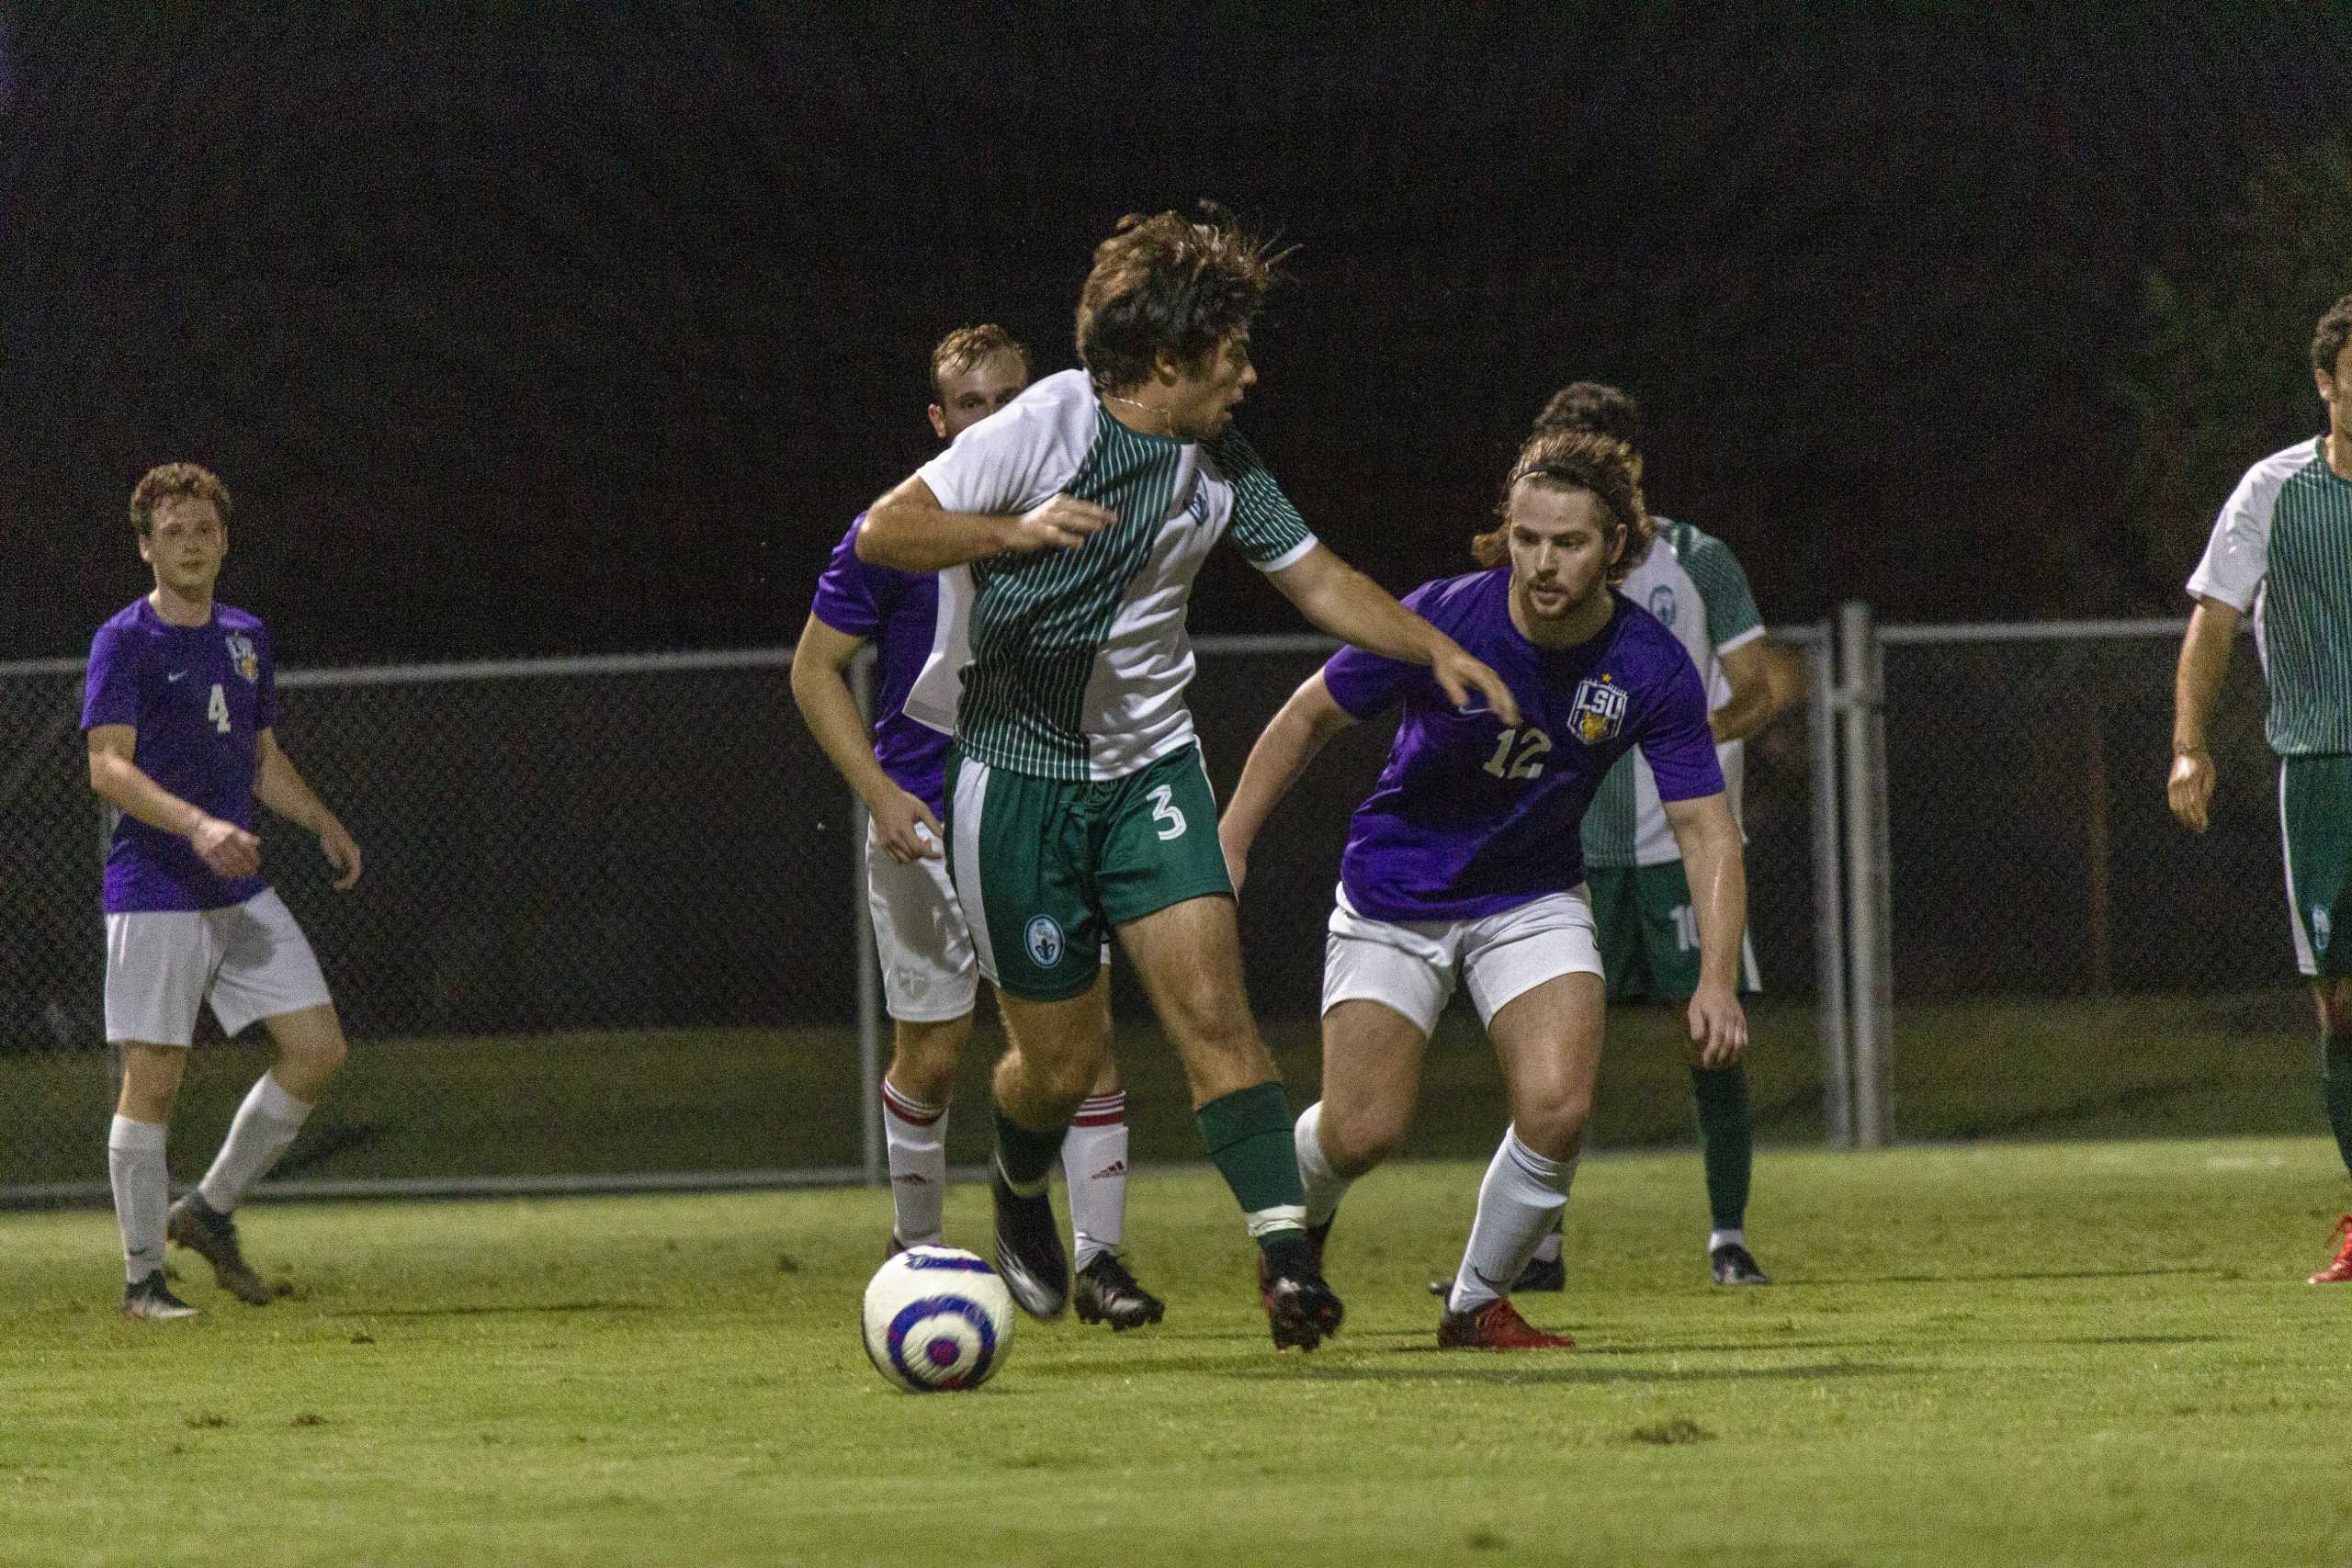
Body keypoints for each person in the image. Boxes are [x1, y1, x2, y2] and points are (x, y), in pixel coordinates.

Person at [856, 204, 1521, 1350]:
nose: (1250, 375)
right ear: (1166, 361)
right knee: (1053, 1068)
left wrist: (1436, 645)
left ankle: (1283, 1262)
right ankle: (1019, 1186)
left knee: (1215, 1015)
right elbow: (884, 531)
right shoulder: (1044, 425)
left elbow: (1319, 581)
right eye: (1230, 355)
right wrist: (1010, 534)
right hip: (1013, 780)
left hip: (1150, 771)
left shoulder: (1223, 465)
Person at [1219, 426, 1750, 1348]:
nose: (1543, 562)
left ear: (1615, 547)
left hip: (1531, 897)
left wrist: (1712, 977)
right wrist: (1229, 840)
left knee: (1557, 1106)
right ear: (1506, 531)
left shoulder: (1649, 664)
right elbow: (1308, 718)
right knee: (1361, 1133)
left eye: (1570, 542)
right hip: (1396, 893)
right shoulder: (1442, 619)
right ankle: (1289, 1230)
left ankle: (1474, 1304)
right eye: (1528, 537)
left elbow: (1706, 825)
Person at [792, 324, 1163, 1330]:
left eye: (1010, 401)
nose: (991, 422)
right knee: (934, 1055)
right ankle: (914, 1252)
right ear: (939, 422)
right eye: (970, 406)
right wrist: (878, 793)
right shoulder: (898, 533)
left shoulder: (1080, 515)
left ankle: (1101, 1264)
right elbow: (811, 670)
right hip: (920, 819)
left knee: (1079, 1044)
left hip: (1038, 808)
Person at [1503, 382, 1800, 1293]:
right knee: (1552, 1052)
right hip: (1570, 851)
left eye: (1593, 457)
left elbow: (1758, 685)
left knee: (1713, 1040)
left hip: (1678, 850)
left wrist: (1692, 734)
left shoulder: (1697, 560)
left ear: (1629, 466)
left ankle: (1726, 1237)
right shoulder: (1542, 570)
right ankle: (1536, 1250)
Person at [83, 463, 362, 1320]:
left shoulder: (246, 635)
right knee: (154, 1083)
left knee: (317, 1049)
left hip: (235, 888)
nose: (191, 543)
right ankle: (141, 1282)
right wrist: (198, 825)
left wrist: (320, 819)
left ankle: (206, 1207)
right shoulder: (124, 640)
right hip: (156, 887)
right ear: (145, 547)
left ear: (225, 540)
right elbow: (107, 766)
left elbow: (260, 758)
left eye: (204, 530)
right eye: (173, 532)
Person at [2170, 291, 2352, 1285]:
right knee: (2336, 1004)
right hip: (2322, 773)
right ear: (2326, 385)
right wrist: (2189, 744)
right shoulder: (2271, 491)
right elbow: (2214, 619)